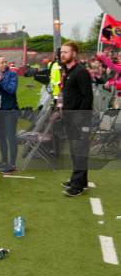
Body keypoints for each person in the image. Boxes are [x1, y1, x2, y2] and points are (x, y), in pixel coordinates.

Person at [59, 42, 93, 197]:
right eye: (62, 52)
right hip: (69, 117)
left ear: (74, 54)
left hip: (79, 119)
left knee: (79, 150)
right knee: (75, 150)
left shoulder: (81, 72)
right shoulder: (67, 71)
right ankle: (80, 180)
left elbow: (87, 97)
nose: (63, 54)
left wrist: (79, 118)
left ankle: (77, 185)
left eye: (66, 52)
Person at [0, 56, 19, 174]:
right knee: (1, 137)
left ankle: (12, 164)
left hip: (10, 110)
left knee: (11, 137)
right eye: (2, 62)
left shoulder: (12, 75)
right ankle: (4, 161)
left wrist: (1, 80)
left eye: (5, 62)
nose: (4, 64)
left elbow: (11, 90)